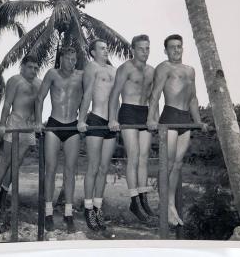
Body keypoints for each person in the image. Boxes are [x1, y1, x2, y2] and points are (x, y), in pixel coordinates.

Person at [147, 34, 207, 226]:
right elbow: (155, 95)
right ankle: (167, 206)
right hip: (170, 117)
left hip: (186, 120)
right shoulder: (164, 67)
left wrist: (199, 122)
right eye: (172, 47)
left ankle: (170, 203)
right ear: (165, 50)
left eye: (179, 46)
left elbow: (193, 99)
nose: (176, 50)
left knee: (178, 165)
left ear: (183, 48)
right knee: (168, 163)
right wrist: (151, 119)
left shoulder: (191, 70)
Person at [108, 35, 158, 223]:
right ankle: (134, 201)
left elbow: (154, 98)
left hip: (144, 112)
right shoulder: (125, 68)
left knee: (144, 158)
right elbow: (114, 95)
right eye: (141, 48)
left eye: (147, 48)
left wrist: (154, 118)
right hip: (128, 110)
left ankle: (144, 200)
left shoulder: (152, 71)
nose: (145, 52)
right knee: (134, 156)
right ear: (133, 49)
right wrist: (113, 118)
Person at [35, 47, 83, 234]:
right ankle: (48, 214)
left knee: (70, 171)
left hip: (72, 125)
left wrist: (83, 119)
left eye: (74, 59)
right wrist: (39, 122)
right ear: (61, 59)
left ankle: (68, 214)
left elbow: (90, 95)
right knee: (51, 170)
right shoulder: (52, 74)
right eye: (69, 59)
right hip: (54, 125)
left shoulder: (80, 76)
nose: (72, 62)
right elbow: (39, 99)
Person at [0, 55, 41, 216]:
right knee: (6, 161)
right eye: (30, 67)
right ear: (23, 67)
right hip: (14, 124)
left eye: (35, 68)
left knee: (16, 164)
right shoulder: (15, 80)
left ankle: (3, 197)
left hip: (29, 128)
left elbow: (38, 106)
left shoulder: (39, 83)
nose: (33, 70)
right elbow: (6, 104)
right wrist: (2, 124)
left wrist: (38, 122)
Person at [77, 39, 117, 231]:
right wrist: (81, 120)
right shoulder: (91, 67)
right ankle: (87, 209)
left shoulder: (113, 70)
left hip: (110, 123)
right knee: (93, 167)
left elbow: (116, 97)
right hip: (95, 120)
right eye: (102, 48)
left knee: (104, 168)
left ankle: (98, 208)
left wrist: (115, 119)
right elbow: (86, 95)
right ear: (93, 52)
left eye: (106, 48)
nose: (106, 50)